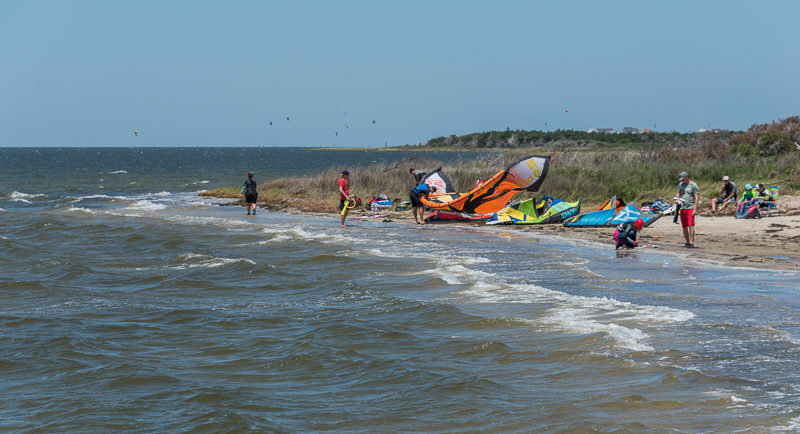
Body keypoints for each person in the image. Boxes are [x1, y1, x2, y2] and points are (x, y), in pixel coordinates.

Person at [676, 171, 700, 248]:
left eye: (683, 179)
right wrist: (676, 199)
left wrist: (695, 209)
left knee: (691, 225)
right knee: (684, 225)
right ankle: (687, 242)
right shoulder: (681, 184)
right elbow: (679, 193)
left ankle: (691, 242)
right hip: (682, 207)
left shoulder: (693, 185)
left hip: (690, 207)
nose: (682, 180)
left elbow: (696, 197)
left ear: (687, 177)